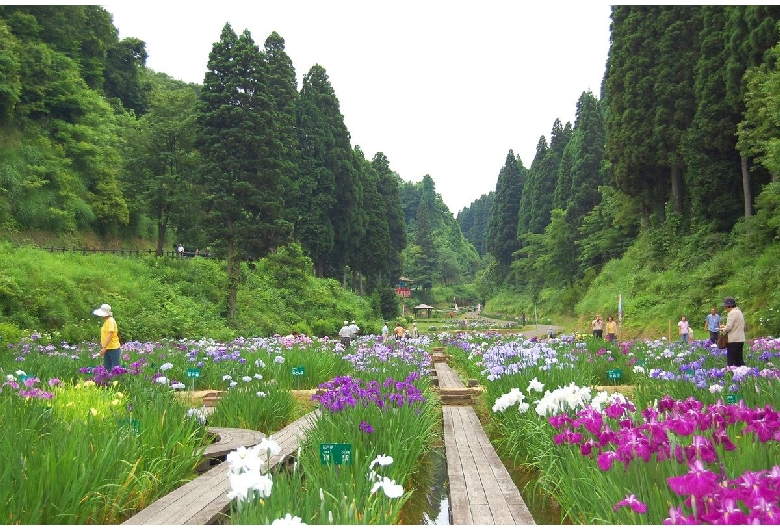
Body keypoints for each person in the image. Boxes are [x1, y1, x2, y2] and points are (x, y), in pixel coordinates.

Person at [93, 303, 121, 370]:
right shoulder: (106, 321)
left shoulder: (111, 321)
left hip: (113, 348)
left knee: (115, 369)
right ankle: (107, 380)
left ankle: (117, 380)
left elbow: (110, 334)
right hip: (107, 348)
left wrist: (104, 347)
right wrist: (104, 347)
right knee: (107, 368)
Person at [720, 297, 745, 367]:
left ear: (729, 306)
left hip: (733, 340)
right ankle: (744, 374)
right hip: (740, 339)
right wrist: (725, 327)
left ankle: (731, 374)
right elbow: (735, 325)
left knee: (731, 361)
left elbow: (729, 327)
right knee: (739, 360)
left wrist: (723, 329)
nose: (725, 308)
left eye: (726, 307)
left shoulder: (732, 313)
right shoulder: (739, 312)